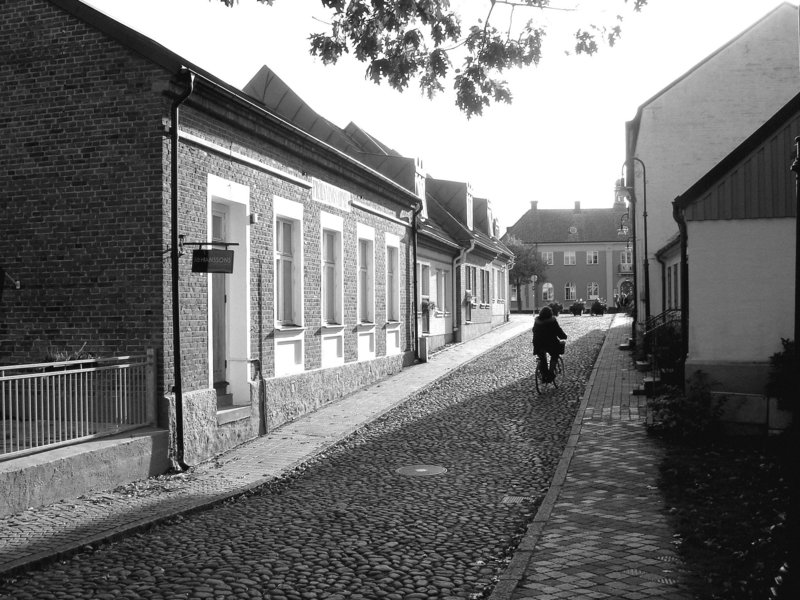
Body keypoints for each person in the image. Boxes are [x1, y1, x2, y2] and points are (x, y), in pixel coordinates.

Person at [532, 306, 568, 382]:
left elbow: (534, 330)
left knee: (542, 358)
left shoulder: (537, 321)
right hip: (551, 343)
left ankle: (544, 375)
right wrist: (564, 336)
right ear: (550, 313)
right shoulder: (552, 321)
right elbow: (558, 331)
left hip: (538, 343)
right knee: (555, 355)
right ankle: (550, 374)